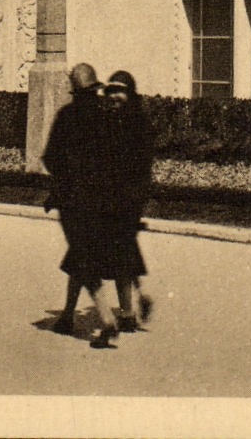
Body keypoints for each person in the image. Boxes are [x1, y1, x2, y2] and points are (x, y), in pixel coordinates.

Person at [42, 63, 126, 348]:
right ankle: (66, 317)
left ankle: (106, 319)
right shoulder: (107, 116)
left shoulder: (66, 117)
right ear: (95, 88)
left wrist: (63, 182)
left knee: (83, 254)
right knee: (81, 254)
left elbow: (50, 158)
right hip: (105, 199)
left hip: (74, 200)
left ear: (75, 90)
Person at [104, 70, 155, 333]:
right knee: (124, 252)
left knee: (120, 254)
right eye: (110, 92)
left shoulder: (138, 123)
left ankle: (127, 312)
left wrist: (135, 198)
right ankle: (137, 298)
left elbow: (142, 166)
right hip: (111, 198)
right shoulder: (107, 122)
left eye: (119, 91)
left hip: (126, 199)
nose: (114, 97)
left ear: (130, 94)